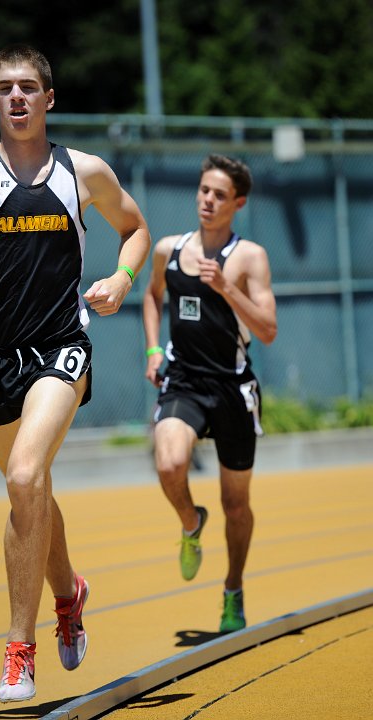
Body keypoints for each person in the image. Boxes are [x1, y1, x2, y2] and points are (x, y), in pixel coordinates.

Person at [0, 44, 151, 703]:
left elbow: (136, 230)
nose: (17, 97)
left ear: (49, 99)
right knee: (31, 490)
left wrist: (121, 278)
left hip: (60, 349)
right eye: (6, 88)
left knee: (23, 477)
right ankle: (69, 592)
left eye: (29, 87)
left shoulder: (83, 171)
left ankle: (20, 650)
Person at [143, 154, 276, 633]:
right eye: (203, 190)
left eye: (219, 194)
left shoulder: (250, 257)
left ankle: (233, 589)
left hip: (233, 389)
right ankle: (189, 522)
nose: (208, 200)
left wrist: (226, 289)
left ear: (238, 202)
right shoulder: (169, 249)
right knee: (169, 463)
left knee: (236, 505)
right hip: (184, 381)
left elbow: (268, 330)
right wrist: (155, 349)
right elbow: (153, 295)